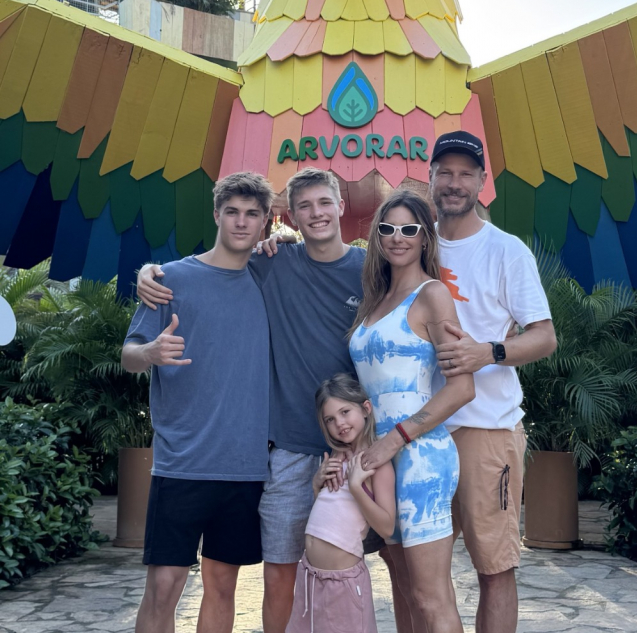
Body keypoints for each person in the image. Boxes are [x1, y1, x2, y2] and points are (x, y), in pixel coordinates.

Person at [136, 167, 369, 633]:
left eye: (324, 202)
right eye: (304, 206)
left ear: (340, 205)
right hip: (259, 455)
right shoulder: (260, 263)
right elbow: (204, 273)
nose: (316, 213)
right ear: (291, 217)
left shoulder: (365, 271)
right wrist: (146, 281)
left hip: (346, 451)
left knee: (348, 573)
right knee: (229, 580)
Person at [121, 171, 273, 633]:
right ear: (216, 215)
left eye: (252, 214)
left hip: (245, 467)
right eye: (232, 212)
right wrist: (149, 353)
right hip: (181, 463)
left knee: (222, 588)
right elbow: (128, 356)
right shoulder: (172, 279)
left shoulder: (271, 276)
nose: (241, 222)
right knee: (164, 587)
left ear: (266, 222)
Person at [429, 131, 557, 633]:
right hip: (421, 430)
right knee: (419, 569)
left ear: (483, 181)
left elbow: (544, 336)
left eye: (466, 173)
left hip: (487, 431)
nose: (455, 182)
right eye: (446, 172)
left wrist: (490, 352)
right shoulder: (410, 244)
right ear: (431, 178)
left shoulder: (507, 251)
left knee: (495, 567)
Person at [350, 189, 476, 633]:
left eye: (409, 229)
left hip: (420, 457)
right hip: (381, 462)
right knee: (404, 588)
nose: (397, 237)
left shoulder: (433, 294)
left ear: (425, 237)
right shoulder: (376, 297)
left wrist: (394, 439)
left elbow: (462, 387)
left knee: (429, 596)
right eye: (387, 228)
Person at [286, 374, 396, 633]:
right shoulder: (337, 456)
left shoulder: (376, 464)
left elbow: (387, 527)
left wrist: (357, 487)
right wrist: (316, 486)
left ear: (365, 409)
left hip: (343, 584)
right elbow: (330, 516)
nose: (340, 423)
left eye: (345, 412)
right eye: (330, 419)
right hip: (310, 577)